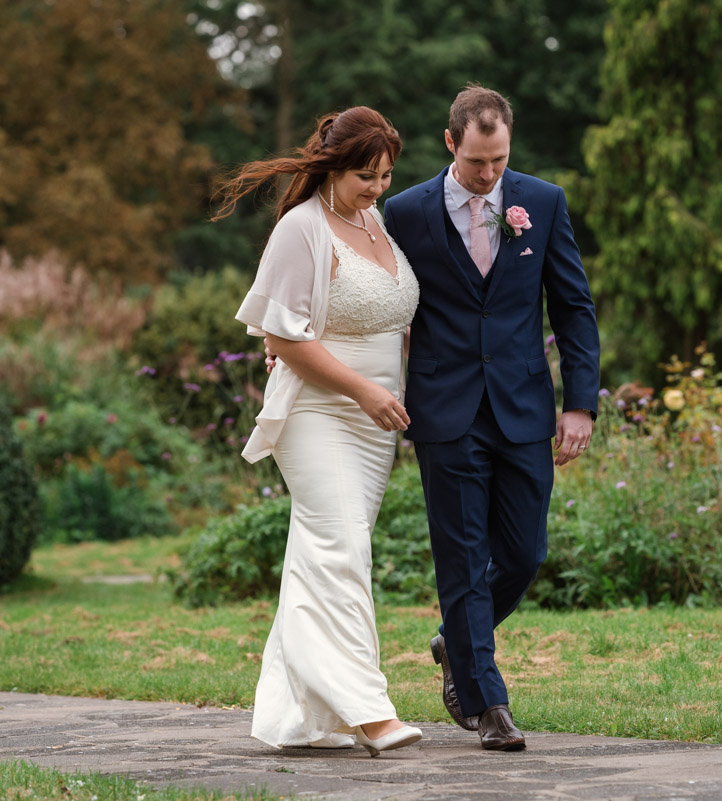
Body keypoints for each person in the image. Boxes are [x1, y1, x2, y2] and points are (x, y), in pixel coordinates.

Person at [382, 85, 600, 751]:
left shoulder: (543, 202)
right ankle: (488, 703)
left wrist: (579, 402)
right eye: (477, 162)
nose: (488, 174)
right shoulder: (405, 212)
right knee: (463, 557)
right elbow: (382, 301)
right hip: (444, 409)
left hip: (524, 405)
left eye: (499, 160)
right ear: (451, 143)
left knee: (525, 553)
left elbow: (573, 307)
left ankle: (456, 640)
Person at [216, 106, 422, 757]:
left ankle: (302, 717)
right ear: (333, 167)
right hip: (318, 413)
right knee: (341, 550)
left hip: (374, 425)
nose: (377, 188)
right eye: (366, 175)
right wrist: (364, 389)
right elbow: (283, 338)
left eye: (386, 176)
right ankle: (369, 712)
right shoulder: (301, 228)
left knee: (325, 555)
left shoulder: (373, 221)